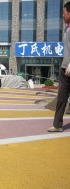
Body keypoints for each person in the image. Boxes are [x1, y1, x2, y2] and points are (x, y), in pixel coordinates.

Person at [48, 2, 70, 132]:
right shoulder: (67, 28)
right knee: (61, 97)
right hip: (64, 67)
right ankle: (57, 125)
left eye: (64, 12)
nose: (63, 15)